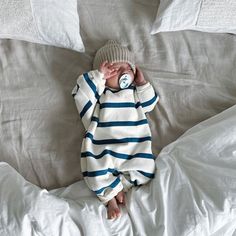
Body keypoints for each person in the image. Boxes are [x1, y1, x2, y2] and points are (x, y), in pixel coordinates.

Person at [72, 40, 159, 219]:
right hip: (104, 148)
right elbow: (80, 94)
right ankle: (110, 199)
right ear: (104, 75)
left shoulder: (135, 94)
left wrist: (142, 83)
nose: (123, 72)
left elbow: (150, 104)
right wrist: (98, 77)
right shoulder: (100, 96)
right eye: (116, 69)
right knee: (95, 173)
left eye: (128, 68)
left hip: (134, 147)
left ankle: (121, 186)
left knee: (147, 170)